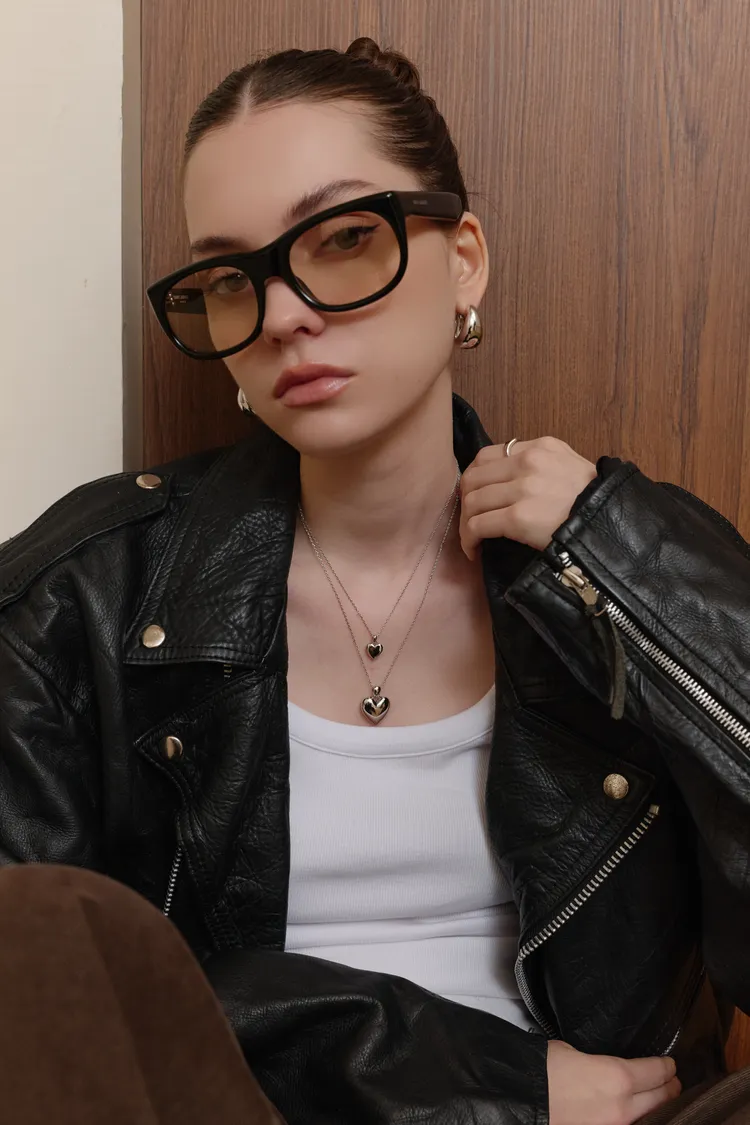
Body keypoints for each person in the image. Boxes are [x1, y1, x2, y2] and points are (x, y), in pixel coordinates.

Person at [1, 35, 749, 1125]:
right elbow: (41, 986)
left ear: (465, 260)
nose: (284, 315)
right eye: (230, 278)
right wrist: (482, 1084)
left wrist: (624, 557)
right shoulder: (82, 593)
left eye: (345, 238)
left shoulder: (603, 573)